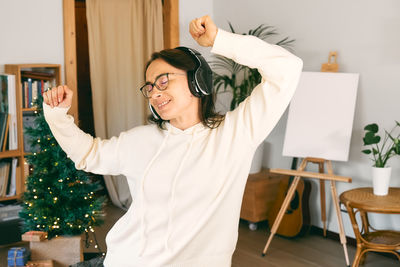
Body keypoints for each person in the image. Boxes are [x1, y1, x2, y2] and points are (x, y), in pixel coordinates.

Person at [43, 15, 303, 267]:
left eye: (163, 81)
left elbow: (288, 68)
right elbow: (88, 154)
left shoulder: (235, 134)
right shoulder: (141, 140)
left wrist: (219, 40)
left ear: (197, 81)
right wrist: (57, 116)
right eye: (150, 87)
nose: (155, 93)